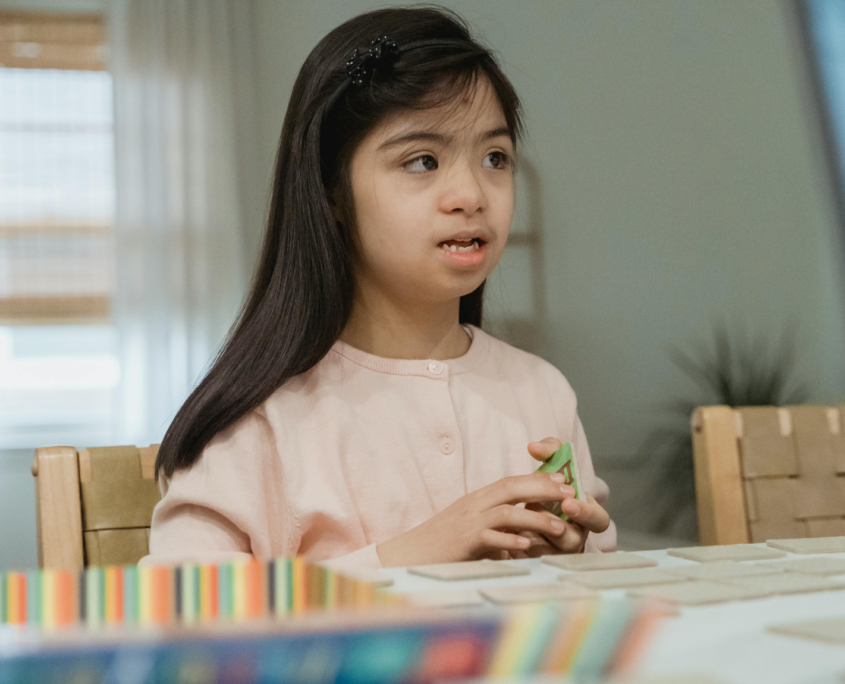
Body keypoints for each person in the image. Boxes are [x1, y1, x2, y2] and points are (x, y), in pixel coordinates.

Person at [146, 6, 616, 569]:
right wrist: (414, 554)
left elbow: (603, 594)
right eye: (423, 161)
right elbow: (185, 614)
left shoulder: (543, 392)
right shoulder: (256, 420)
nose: (470, 193)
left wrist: (573, 553)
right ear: (332, 193)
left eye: (495, 157)